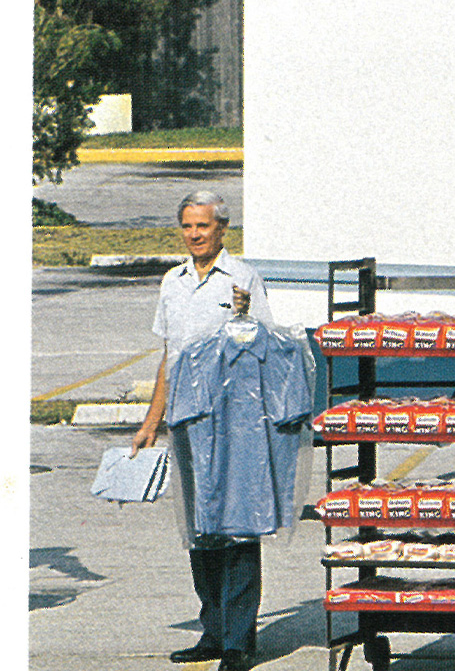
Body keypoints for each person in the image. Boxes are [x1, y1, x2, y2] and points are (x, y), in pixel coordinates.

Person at [130, 190, 274, 671]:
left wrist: (245, 316)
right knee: (199, 528)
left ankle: (238, 641)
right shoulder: (172, 282)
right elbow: (168, 358)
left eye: (203, 227)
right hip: (187, 423)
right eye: (187, 227)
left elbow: (266, 349)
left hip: (235, 422)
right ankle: (212, 630)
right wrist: (152, 422)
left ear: (222, 229)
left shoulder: (243, 278)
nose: (194, 235)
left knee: (236, 526)